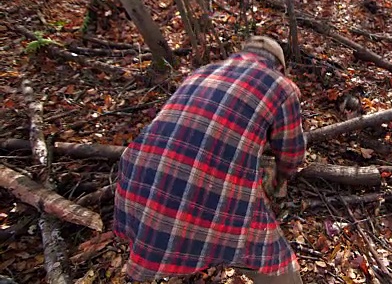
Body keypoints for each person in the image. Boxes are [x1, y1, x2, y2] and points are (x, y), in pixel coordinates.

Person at [113, 36, 307, 284]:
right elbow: (292, 156)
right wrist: (279, 179)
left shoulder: (202, 72)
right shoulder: (281, 86)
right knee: (275, 267)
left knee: (175, 240)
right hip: (198, 185)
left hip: (138, 178)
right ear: (279, 66)